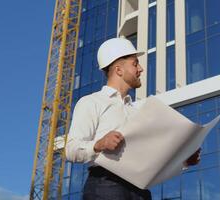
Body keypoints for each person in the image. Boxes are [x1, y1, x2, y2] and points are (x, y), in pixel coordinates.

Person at [65, 38, 200, 200]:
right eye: (135, 64)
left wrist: (183, 163)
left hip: (139, 191)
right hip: (106, 187)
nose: (141, 69)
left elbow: (151, 161)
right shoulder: (91, 102)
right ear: (119, 70)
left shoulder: (137, 113)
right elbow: (71, 150)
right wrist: (99, 144)